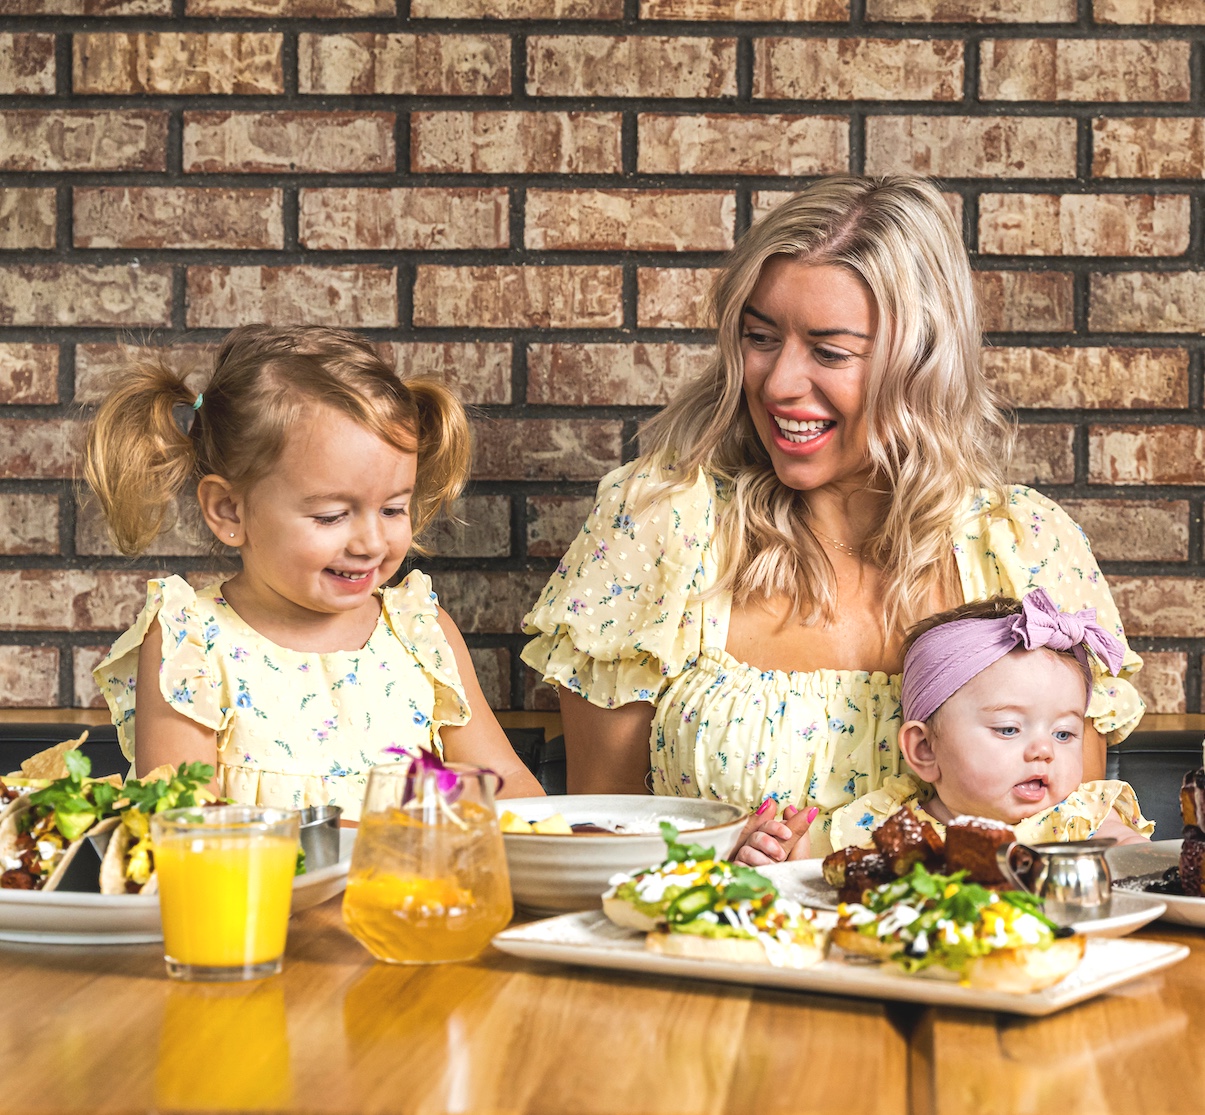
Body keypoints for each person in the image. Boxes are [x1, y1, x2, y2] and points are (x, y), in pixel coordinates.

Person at [521, 175, 1143, 856]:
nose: (778, 382)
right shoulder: (660, 523)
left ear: (921, 361)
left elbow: (1066, 835)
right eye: (760, 337)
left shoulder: (1025, 545)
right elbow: (609, 836)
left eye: (829, 352)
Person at [87, 325, 543, 819]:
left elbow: (505, 782)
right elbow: (187, 822)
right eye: (331, 516)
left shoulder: (420, 633)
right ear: (229, 510)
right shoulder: (190, 643)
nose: (371, 543)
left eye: (393, 509)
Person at [740, 592, 1153, 865]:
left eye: (1064, 734)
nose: (1044, 751)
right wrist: (781, 856)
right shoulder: (881, 828)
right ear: (924, 749)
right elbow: (818, 879)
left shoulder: (1082, 821)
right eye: (1009, 729)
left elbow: (1140, 866)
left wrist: (1132, 858)